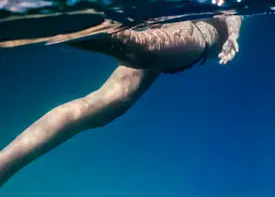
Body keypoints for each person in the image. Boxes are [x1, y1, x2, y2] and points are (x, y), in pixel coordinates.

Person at [0, 14, 242, 188]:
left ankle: (4, 164)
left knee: (104, 107)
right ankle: (33, 20)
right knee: (136, 47)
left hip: (177, 32)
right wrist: (233, 33)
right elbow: (232, 12)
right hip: (197, 36)